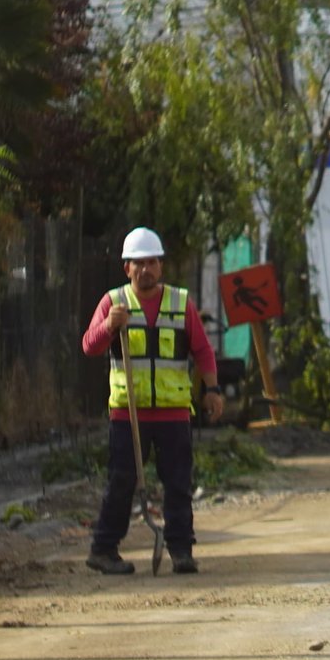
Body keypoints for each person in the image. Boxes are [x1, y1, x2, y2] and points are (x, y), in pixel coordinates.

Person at [81, 227, 222, 575]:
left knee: (178, 482)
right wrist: (109, 328)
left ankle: (181, 550)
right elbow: (89, 346)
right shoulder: (113, 303)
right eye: (139, 263)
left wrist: (213, 390)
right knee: (121, 480)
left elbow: (202, 349)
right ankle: (103, 549)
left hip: (173, 413)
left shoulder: (180, 303)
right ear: (126, 268)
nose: (146, 269)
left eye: (153, 262)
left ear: (161, 266)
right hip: (127, 413)